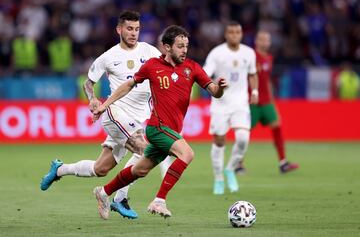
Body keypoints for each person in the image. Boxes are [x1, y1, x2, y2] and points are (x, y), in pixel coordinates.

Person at [91, 25, 227, 220]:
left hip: (171, 130)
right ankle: (159, 200)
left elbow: (214, 91)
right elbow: (129, 85)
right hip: (157, 128)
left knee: (140, 170)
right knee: (187, 153)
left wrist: (221, 88)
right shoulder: (152, 66)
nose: (184, 50)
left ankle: (103, 192)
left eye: (186, 45)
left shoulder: (192, 68)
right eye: (180, 46)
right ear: (167, 47)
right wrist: (105, 105)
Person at [40, 10, 162, 219]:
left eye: (137, 29)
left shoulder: (149, 51)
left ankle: (59, 170)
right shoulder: (108, 57)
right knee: (145, 150)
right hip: (115, 113)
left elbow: (163, 72)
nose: (134, 33)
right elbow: (89, 83)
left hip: (138, 118)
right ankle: (118, 198)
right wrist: (93, 99)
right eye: (129, 29)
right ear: (119, 29)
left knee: (101, 168)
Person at [203, 21, 259, 195]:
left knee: (243, 138)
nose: (234, 35)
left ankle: (230, 168)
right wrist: (216, 86)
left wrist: (255, 91)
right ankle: (219, 178)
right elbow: (205, 75)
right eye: (231, 32)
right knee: (219, 142)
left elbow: (252, 74)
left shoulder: (249, 53)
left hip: (240, 103)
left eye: (237, 32)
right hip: (220, 104)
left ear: (241, 34)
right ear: (226, 34)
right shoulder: (217, 53)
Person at [235, 30, 299, 174]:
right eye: (262, 39)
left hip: (266, 101)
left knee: (277, 126)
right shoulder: (250, 56)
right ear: (256, 41)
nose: (265, 42)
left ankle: (283, 163)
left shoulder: (269, 58)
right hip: (251, 101)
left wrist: (271, 98)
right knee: (244, 133)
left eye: (267, 40)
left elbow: (267, 80)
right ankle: (238, 164)